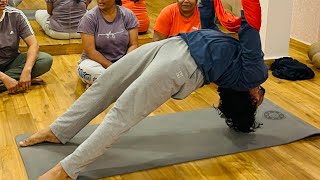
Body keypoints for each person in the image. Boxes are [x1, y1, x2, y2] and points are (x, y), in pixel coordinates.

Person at [19, 0, 267, 179]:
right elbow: (209, 23)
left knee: (123, 111)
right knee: (107, 82)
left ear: (252, 99)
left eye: (261, 97)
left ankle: (67, 169)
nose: (262, 92)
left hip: (182, 64)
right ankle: (59, 130)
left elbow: (250, 29)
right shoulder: (241, 70)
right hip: (172, 45)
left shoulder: (254, 73)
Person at [77, 0, 139, 85]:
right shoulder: (89, 18)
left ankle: (105, 86)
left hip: (122, 62)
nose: (100, 0)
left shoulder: (128, 14)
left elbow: (133, 44)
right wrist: (113, 68)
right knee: (87, 69)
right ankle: (120, 84)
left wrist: (124, 64)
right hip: (96, 63)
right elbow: (90, 51)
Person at [0, 3, 53, 94]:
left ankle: (15, 80)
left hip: (11, 61)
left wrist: (27, 71)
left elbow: (33, 45)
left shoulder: (16, 14)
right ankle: (14, 81)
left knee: (45, 60)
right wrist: (4, 78)